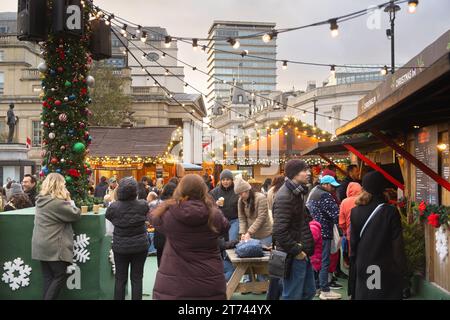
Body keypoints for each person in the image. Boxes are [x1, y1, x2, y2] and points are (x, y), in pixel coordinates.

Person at [150, 174, 229, 299]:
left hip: (175, 283)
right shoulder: (214, 215)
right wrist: (211, 204)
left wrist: (169, 203)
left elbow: (153, 217)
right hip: (209, 280)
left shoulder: (170, 215)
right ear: (204, 190)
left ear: (180, 189)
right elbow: (225, 226)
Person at [349, 171, 406, 300]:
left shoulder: (355, 211)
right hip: (384, 266)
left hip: (364, 264)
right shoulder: (390, 211)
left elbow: (353, 242)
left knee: (367, 295)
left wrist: (355, 262)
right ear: (382, 188)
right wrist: (402, 269)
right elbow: (397, 244)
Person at [31, 173, 81, 300]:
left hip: (40, 245)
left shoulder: (40, 201)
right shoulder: (57, 203)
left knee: (48, 278)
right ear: (59, 186)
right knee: (59, 275)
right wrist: (69, 200)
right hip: (54, 246)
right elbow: (75, 214)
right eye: (64, 184)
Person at [272, 159, 315, 300]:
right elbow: (279, 231)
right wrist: (297, 251)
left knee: (308, 292)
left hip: (300, 251)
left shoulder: (297, 193)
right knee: (292, 296)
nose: (308, 173)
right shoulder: (285, 196)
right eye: (304, 170)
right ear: (294, 174)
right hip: (293, 254)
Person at [105, 177, 149, 300]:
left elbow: (109, 223)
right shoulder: (143, 205)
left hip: (120, 246)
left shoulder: (113, 207)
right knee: (137, 278)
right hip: (140, 245)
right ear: (135, 191)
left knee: (120, 278)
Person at [306, 175, 342, 300]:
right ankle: (324, 290)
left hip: (312, 230)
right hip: (324, 232)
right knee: (324, 261)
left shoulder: (313, 192)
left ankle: (316, 288)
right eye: (332, 186)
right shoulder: (325, 195)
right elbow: (336, 214)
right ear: (326, 184)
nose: (333, 189)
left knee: (315, 261)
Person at [234, 176, 272, 246]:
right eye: (238, 194)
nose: (240, 196)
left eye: (241, 193)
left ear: (247, 190)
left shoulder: (261, 198)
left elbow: (261, 218)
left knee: (265, 255)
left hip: (264, 234)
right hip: (251, 235)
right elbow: (242, 218)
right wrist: (242, 233)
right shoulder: (240, 201)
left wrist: (249, 232)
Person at [149, 182, 177, 267]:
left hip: (159, 235)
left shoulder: (155, 204)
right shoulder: (177, 204)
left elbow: (151, 219)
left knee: (160, 263)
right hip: (173, 237)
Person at [210, 169, 240, 241]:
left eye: (227, 179)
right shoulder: (215, 192)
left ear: (231, 180)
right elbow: (209, 206)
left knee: (232, 240)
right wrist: (215, 204)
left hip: (234, 220)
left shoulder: (237, 191)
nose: (225, 182)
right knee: (220, 241)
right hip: (220, 220)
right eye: (223, 180)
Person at [339, 182, 362, 249]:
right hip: (364, 234)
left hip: (350, 234)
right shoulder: (364, 200)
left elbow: (342, 223)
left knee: (351, 254)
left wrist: (345, 231)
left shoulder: (344, 202)